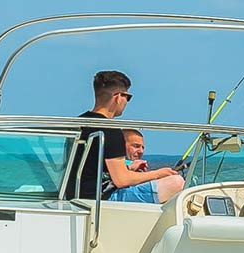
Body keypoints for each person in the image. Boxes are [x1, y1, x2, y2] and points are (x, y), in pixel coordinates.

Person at [69, 71, 184, 202]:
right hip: (102, 199)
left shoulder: (78, 123)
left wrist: (128, 168)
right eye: (127, 97)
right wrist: (158, 173)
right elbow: (122, 180)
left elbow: (89, 170)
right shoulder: (110, 130)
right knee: (176, 182)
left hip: (75, 196)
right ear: (118, 97)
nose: (127, 102)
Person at [106, 128, 169, 203]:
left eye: (142, 148)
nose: (141, 151)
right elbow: (119, 180)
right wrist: (159, 174)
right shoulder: (108, 162)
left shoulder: (136, 167)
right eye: (136, 146)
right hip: (110, 198)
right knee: (174, 184)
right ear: (121, 146)